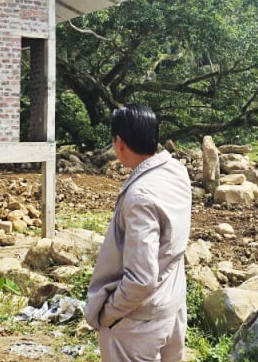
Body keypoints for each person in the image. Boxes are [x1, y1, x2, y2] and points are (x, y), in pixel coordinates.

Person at [85, 104, 192, 362]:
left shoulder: (140, 196)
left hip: (137, 323)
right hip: (172, 304)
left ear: (119, 143)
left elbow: (141, 279)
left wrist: (108, 314)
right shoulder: (176, 171)